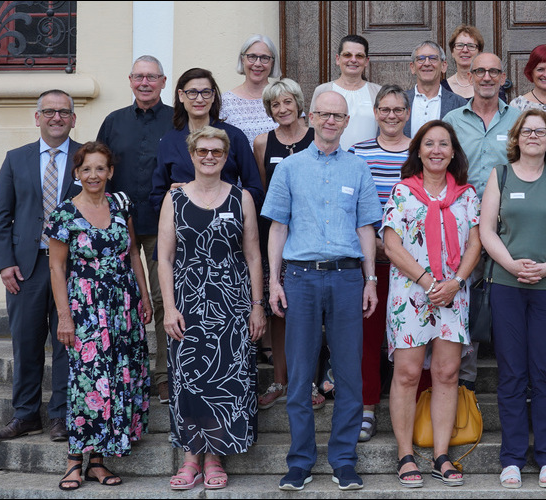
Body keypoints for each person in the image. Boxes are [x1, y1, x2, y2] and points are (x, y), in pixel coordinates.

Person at [263, 91, 380, 491]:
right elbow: (277, 227)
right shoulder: (290, 168)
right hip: (301, 278)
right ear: (311, 116)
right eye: (324, 114)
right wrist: (273, 281)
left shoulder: (359, 169)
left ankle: (343, 461)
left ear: (347, 122)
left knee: (348, 373)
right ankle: (300, 462)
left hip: (348, 279)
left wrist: (370, 280)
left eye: (338, 116)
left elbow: (367, 228)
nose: (331, 121)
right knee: (299, 375)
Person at [158, 126, 265, 490]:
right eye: (202, 151)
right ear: (191, 155)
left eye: (216, 152)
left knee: (225, 379)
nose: (209, 157)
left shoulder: (241, 198)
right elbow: (164, 258)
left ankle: (215, 456)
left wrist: (257, 305)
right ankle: (191, 458)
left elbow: (253, 255)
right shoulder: (174, 199)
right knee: (189, 379)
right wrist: (169, 308)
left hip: (231, 304)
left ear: (226, 156)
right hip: (187, 303)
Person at [46, 142, 153, 490]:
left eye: (100, 168)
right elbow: (57, 267)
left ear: (110, 172)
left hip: (123, 305)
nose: (94, 175)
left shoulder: (121, 204)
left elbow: (133, 253)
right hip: (85, 308)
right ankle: (74, 460)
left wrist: (145, 296)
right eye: (86, 169)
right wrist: (64, 317)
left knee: (117, 379)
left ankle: (99, 462)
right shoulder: (64, 213)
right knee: (87, 382)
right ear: (77, 174)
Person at [383, 120, 481, 488]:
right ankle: (405, 454)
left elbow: (475, 244)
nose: (437, 150)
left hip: (452, 295)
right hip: (411, 294)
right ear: (419, 152)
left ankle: (442, 454)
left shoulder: (467, 195)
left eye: (444, 144)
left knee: (446, 374)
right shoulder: (402, 192)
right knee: (408, 374)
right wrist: (427, 281)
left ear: (453, 151)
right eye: (429, 144)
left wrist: (454, 283)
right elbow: (391, 245)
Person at [480, 109, 546, 489]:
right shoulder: (499, 175)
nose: (533, 136)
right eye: (527, 130)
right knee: (513, 372)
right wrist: (511, 264)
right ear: (516, 137)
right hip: (507, 285)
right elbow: (486, 230)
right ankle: (513, 457)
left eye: (541, 131)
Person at [0, 89, 82, 443]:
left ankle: (61, 415)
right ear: (37, 117)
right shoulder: (16, 159)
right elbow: (2, 216)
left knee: (66, 343)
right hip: (25, 268)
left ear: (74, 118)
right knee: (26, 343)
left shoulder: (85, 157)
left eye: (63, 112)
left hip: (72, 268)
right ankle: (26, 415)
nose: (56, 118)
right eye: (49, 112)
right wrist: (4, 264)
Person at [96, 55, 174, 405]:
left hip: (162, 225)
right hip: (118, 226)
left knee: (162, 299)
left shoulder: (177, 120)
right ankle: (126, 371)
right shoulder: (113, 122)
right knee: (122, 301)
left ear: (163, 81)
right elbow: (97, 167)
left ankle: (163, 374)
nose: (145, 82)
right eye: (139, 77)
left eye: (151, 77)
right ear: (130, 81)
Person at [444, 52, 521, 390]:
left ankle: (516, 377)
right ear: (470, 76)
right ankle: (465, 380)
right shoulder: (452, 119)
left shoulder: (519, 119)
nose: (487, 77)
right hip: (465, 224)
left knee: (513, 300)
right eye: (480, 71)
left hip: (512, 225)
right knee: (465, 298)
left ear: (504, 77)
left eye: (494, 71)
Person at [251, 78, 323, 412]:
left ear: (298, 103)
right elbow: (266, 193)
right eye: (275, 105)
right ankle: (280, 379)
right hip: (276, 233)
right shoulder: (263, 142)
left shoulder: (315, 137)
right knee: (278, 308)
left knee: (308, 310)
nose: (282, 109)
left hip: (310, 233)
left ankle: (307, 380)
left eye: (287, 102)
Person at [348, 84, 413, 442]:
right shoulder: (358, 153)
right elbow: (353, 207)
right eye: (385, 109)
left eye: (398, 110)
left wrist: (400, 248)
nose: (391, 116)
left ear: (407, 113)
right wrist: (375, 244)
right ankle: (368, 406)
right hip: (370, 260)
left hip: (412, 263)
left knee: (412, 340)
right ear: (375, 113)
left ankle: (417, 406)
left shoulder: (420, 151)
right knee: (369, 337)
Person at [150, 68, 264, 217]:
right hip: (183, 225)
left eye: (205, 92)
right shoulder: (168, 142)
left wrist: (229, 198)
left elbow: (255, 190)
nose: (199, 99)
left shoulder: (234, 137)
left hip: (226, 226)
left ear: (213, 96)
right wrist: (170, 195)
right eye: (192, 92)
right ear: (181, 96)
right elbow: (156, 197)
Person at [311, 34, 382, 150]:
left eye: (359, 56)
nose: (353, 60)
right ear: (338, 59)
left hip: (370, 160)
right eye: (347, 55)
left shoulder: (378, 92)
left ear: (366, 61)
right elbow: (314, 129)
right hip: (331, 160)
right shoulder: (323, 90)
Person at [220, 34, 280, 145]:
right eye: (252, 57)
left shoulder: (286, 98)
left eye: (264, 58)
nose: (257, 63)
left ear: (272, 62)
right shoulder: (224, 102)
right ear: (242, 59)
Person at [404, 41, 467, 138]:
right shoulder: (400, 101)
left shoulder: (460, 104)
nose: (427, 63)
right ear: (412, 67)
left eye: (433, 58)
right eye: (421, 59)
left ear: (443, 66)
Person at [440, 25, 508, 103]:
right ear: (452, 52)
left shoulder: (490, 84)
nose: (465, 50)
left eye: (471, 46)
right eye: (460, 45)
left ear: (479, 52)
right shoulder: (442, 88)